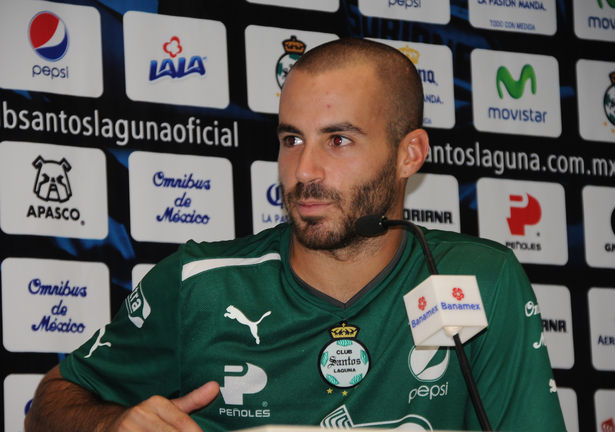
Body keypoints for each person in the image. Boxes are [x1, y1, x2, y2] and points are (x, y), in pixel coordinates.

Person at [25, 38, 566, 432]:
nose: (304, 170)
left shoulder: (478, 280)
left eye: (338, 140)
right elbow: (49, 405)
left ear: (410, 154)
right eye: (291, 139)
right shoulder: (199, 283)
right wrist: (112, 425)